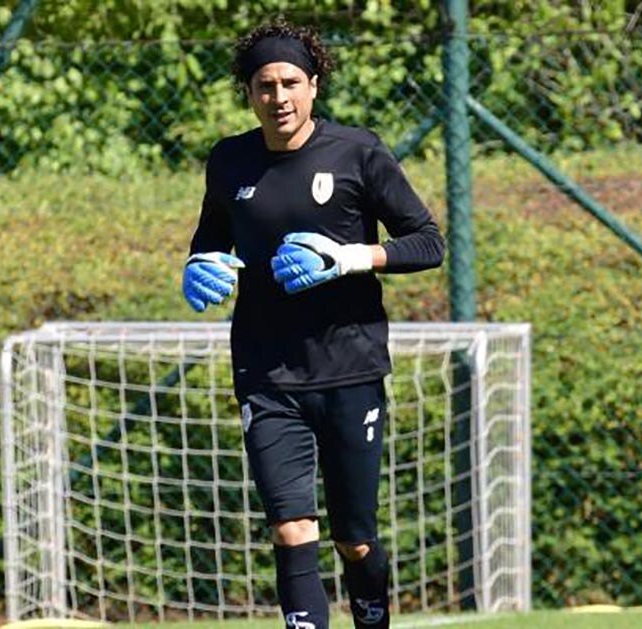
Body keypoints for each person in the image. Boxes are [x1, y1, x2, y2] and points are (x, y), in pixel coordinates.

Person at [181, 20, 445, 629]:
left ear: (315, 85)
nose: (279, 97)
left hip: (349, 366)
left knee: (354, 539)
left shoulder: (357, 152)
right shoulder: (229, 161)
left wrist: (347, 257)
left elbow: (428, 244)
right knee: (291, 527)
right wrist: (198, 265)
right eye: (265, 85)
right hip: (266, 370)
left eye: (291, 83)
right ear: (249, 93)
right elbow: (210, 239)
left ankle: (371, 616)